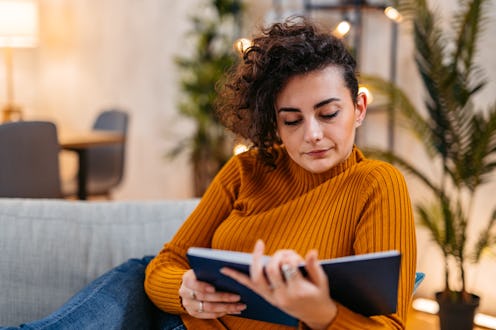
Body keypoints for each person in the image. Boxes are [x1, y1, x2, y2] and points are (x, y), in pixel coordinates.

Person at [145, 16, 417, 330]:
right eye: (292, 120)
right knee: (135, 270)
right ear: (275, 123)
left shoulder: (376, 184)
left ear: (359, 108)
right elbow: (164, 265)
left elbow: (390, 326)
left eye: (328, 113)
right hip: (182, 322)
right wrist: (184, 290)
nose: (312, 134)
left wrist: (321, 313)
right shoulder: (246, 170)